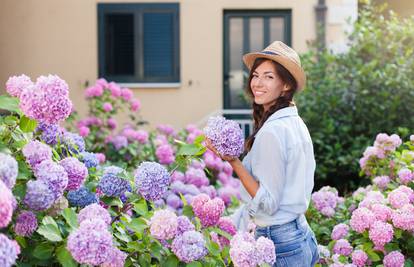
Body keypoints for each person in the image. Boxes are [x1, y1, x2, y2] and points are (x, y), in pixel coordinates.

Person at [206, 41, 319, 266]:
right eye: (256, 75)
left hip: (280, 244)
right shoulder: (295, 122)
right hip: (302, 237)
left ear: (286, 84)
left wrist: (233, 161)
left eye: (269, 77)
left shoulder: (273, 132)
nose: (258, 83)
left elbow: (268, 202)